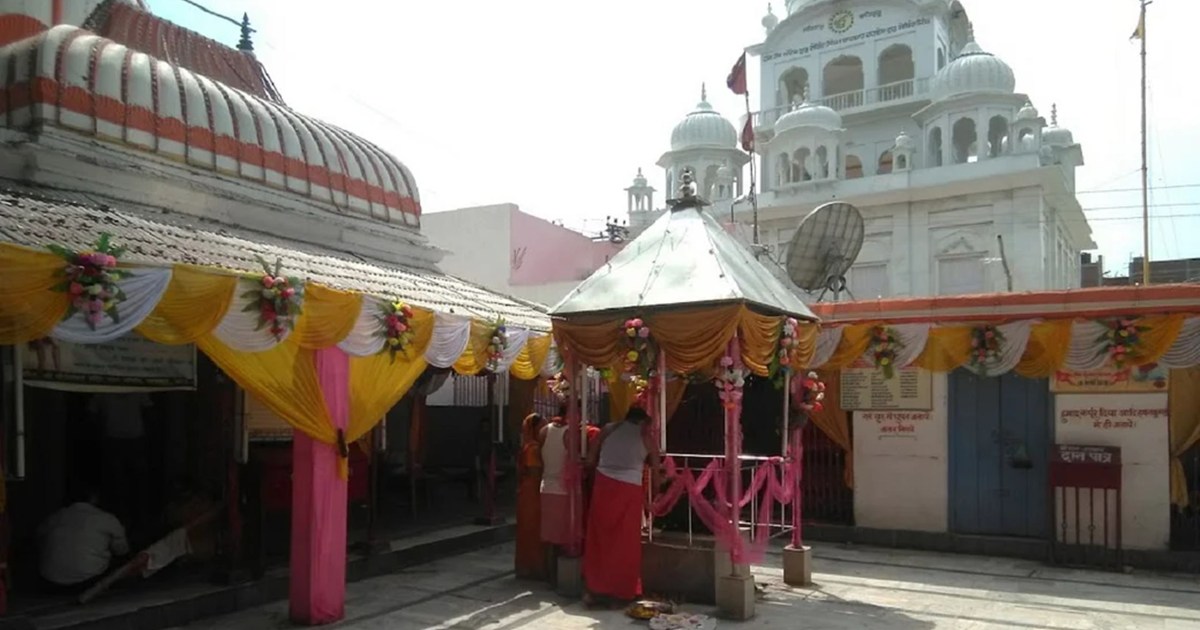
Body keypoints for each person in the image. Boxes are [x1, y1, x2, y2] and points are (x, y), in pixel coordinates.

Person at [582, 406, 663, 606]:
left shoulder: (608, 429)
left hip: (603, 486)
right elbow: (657, 476)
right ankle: (623, 590)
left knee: (599, 539)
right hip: (629, 490)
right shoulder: (646, 438)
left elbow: (590, 460)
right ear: (644, 422)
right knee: (625, 542)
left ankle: (595, 588)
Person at [38, 485, 129, 592]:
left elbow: (39, 542)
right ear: (94, 498)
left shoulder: (54, 517)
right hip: (88, 582)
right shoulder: (106, 518)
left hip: (50, 583)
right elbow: (122, 551)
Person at [514, 413, 547, 580]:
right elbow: (535, 471)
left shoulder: (528, 446)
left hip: (528, 492)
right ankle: (533, 567)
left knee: (529, 531)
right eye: (542, 426)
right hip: (532, 493)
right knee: (532, 531)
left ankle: (528, 566)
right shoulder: (533, 449)